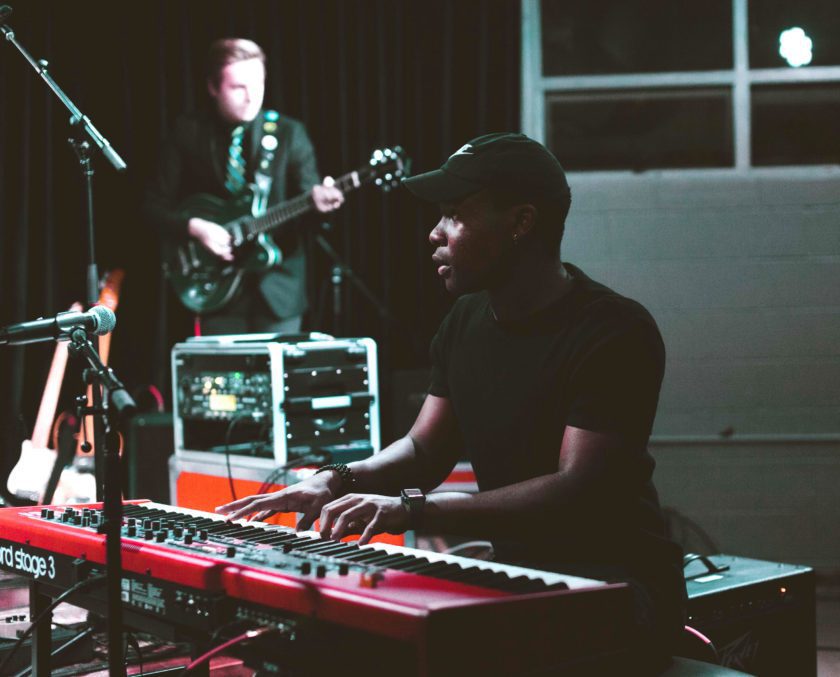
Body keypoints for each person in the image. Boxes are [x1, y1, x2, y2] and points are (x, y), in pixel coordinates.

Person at [217, 133, 687, 671]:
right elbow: (423, 450)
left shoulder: (613, 332)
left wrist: (413, 509)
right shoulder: (464, 323)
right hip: (519, 575)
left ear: (521, 222)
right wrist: (335, 479)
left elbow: (575, 487)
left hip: (618, 586)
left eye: (455, 215)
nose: (433, 234)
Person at [144, 38, 344, 334]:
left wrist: (324, 205)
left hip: (278, 292)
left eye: (258, 84)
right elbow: (152, 207)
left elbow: (312, 218)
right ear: (213, 87)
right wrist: (196, 228)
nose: (251, 97)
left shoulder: (289, 134)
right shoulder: (188, 132)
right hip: (217, 293)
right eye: (238, 87)